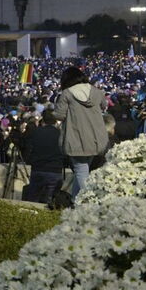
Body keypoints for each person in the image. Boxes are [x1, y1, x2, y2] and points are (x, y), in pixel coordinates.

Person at [52, 66, 108, 200]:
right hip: (96, 138)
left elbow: (59, 115)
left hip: (76, 139)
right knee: (82, 170)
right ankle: (75, 201)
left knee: (81, 171)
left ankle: (88, 201)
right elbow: (104, 106)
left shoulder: (67, 93)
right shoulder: (97, 92)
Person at [22, 110, 65, 204]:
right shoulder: (60, 134)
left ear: (43, 121)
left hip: (38, 169)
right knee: (49, 202)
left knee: (33, 201)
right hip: (55, 171)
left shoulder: (36, 132)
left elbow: (27, 146)